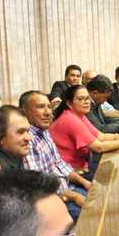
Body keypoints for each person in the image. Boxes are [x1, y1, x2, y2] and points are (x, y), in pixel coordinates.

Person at [19, 90, 91, 220]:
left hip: (69, 189)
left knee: (101, 198)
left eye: (49, 107)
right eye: (40, 107)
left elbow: (59, 164)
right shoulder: (27, 139)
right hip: (56, 200)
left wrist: (85, 182)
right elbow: (39, 187)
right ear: (24, 113)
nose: (48, 112)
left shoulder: (44, 131)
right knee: (93, 216)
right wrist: (73, 196)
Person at [50, 84, 119, 174]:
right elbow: (98, 147)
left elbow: (101, 136)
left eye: (87, 98)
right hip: (72, 172)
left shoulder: (79, 115)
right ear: (69, 103)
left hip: (84, 164)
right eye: (80, 99)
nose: (86, 102)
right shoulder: (69, 119)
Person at [0, 105, 31, 170]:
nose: (29, 138)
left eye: (27, 131)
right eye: (20, 132)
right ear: (0, 136)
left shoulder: (16, 158)